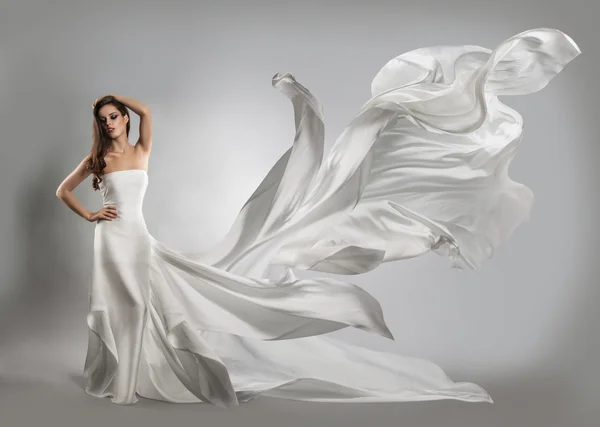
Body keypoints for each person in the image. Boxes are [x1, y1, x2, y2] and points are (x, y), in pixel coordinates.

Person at [55, 28, 580, 407]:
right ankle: (120, 377)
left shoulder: (140, 149)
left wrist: (118, 98)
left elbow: (148, 112)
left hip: (138, 239)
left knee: (152, 300)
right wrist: (91, 214)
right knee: (115, 303)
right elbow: (63, 191)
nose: (113, 121)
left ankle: (143, 376)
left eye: (115, 115)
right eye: (105, 119)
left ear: (123, 117)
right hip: (110, 239)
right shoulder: (97, 159)